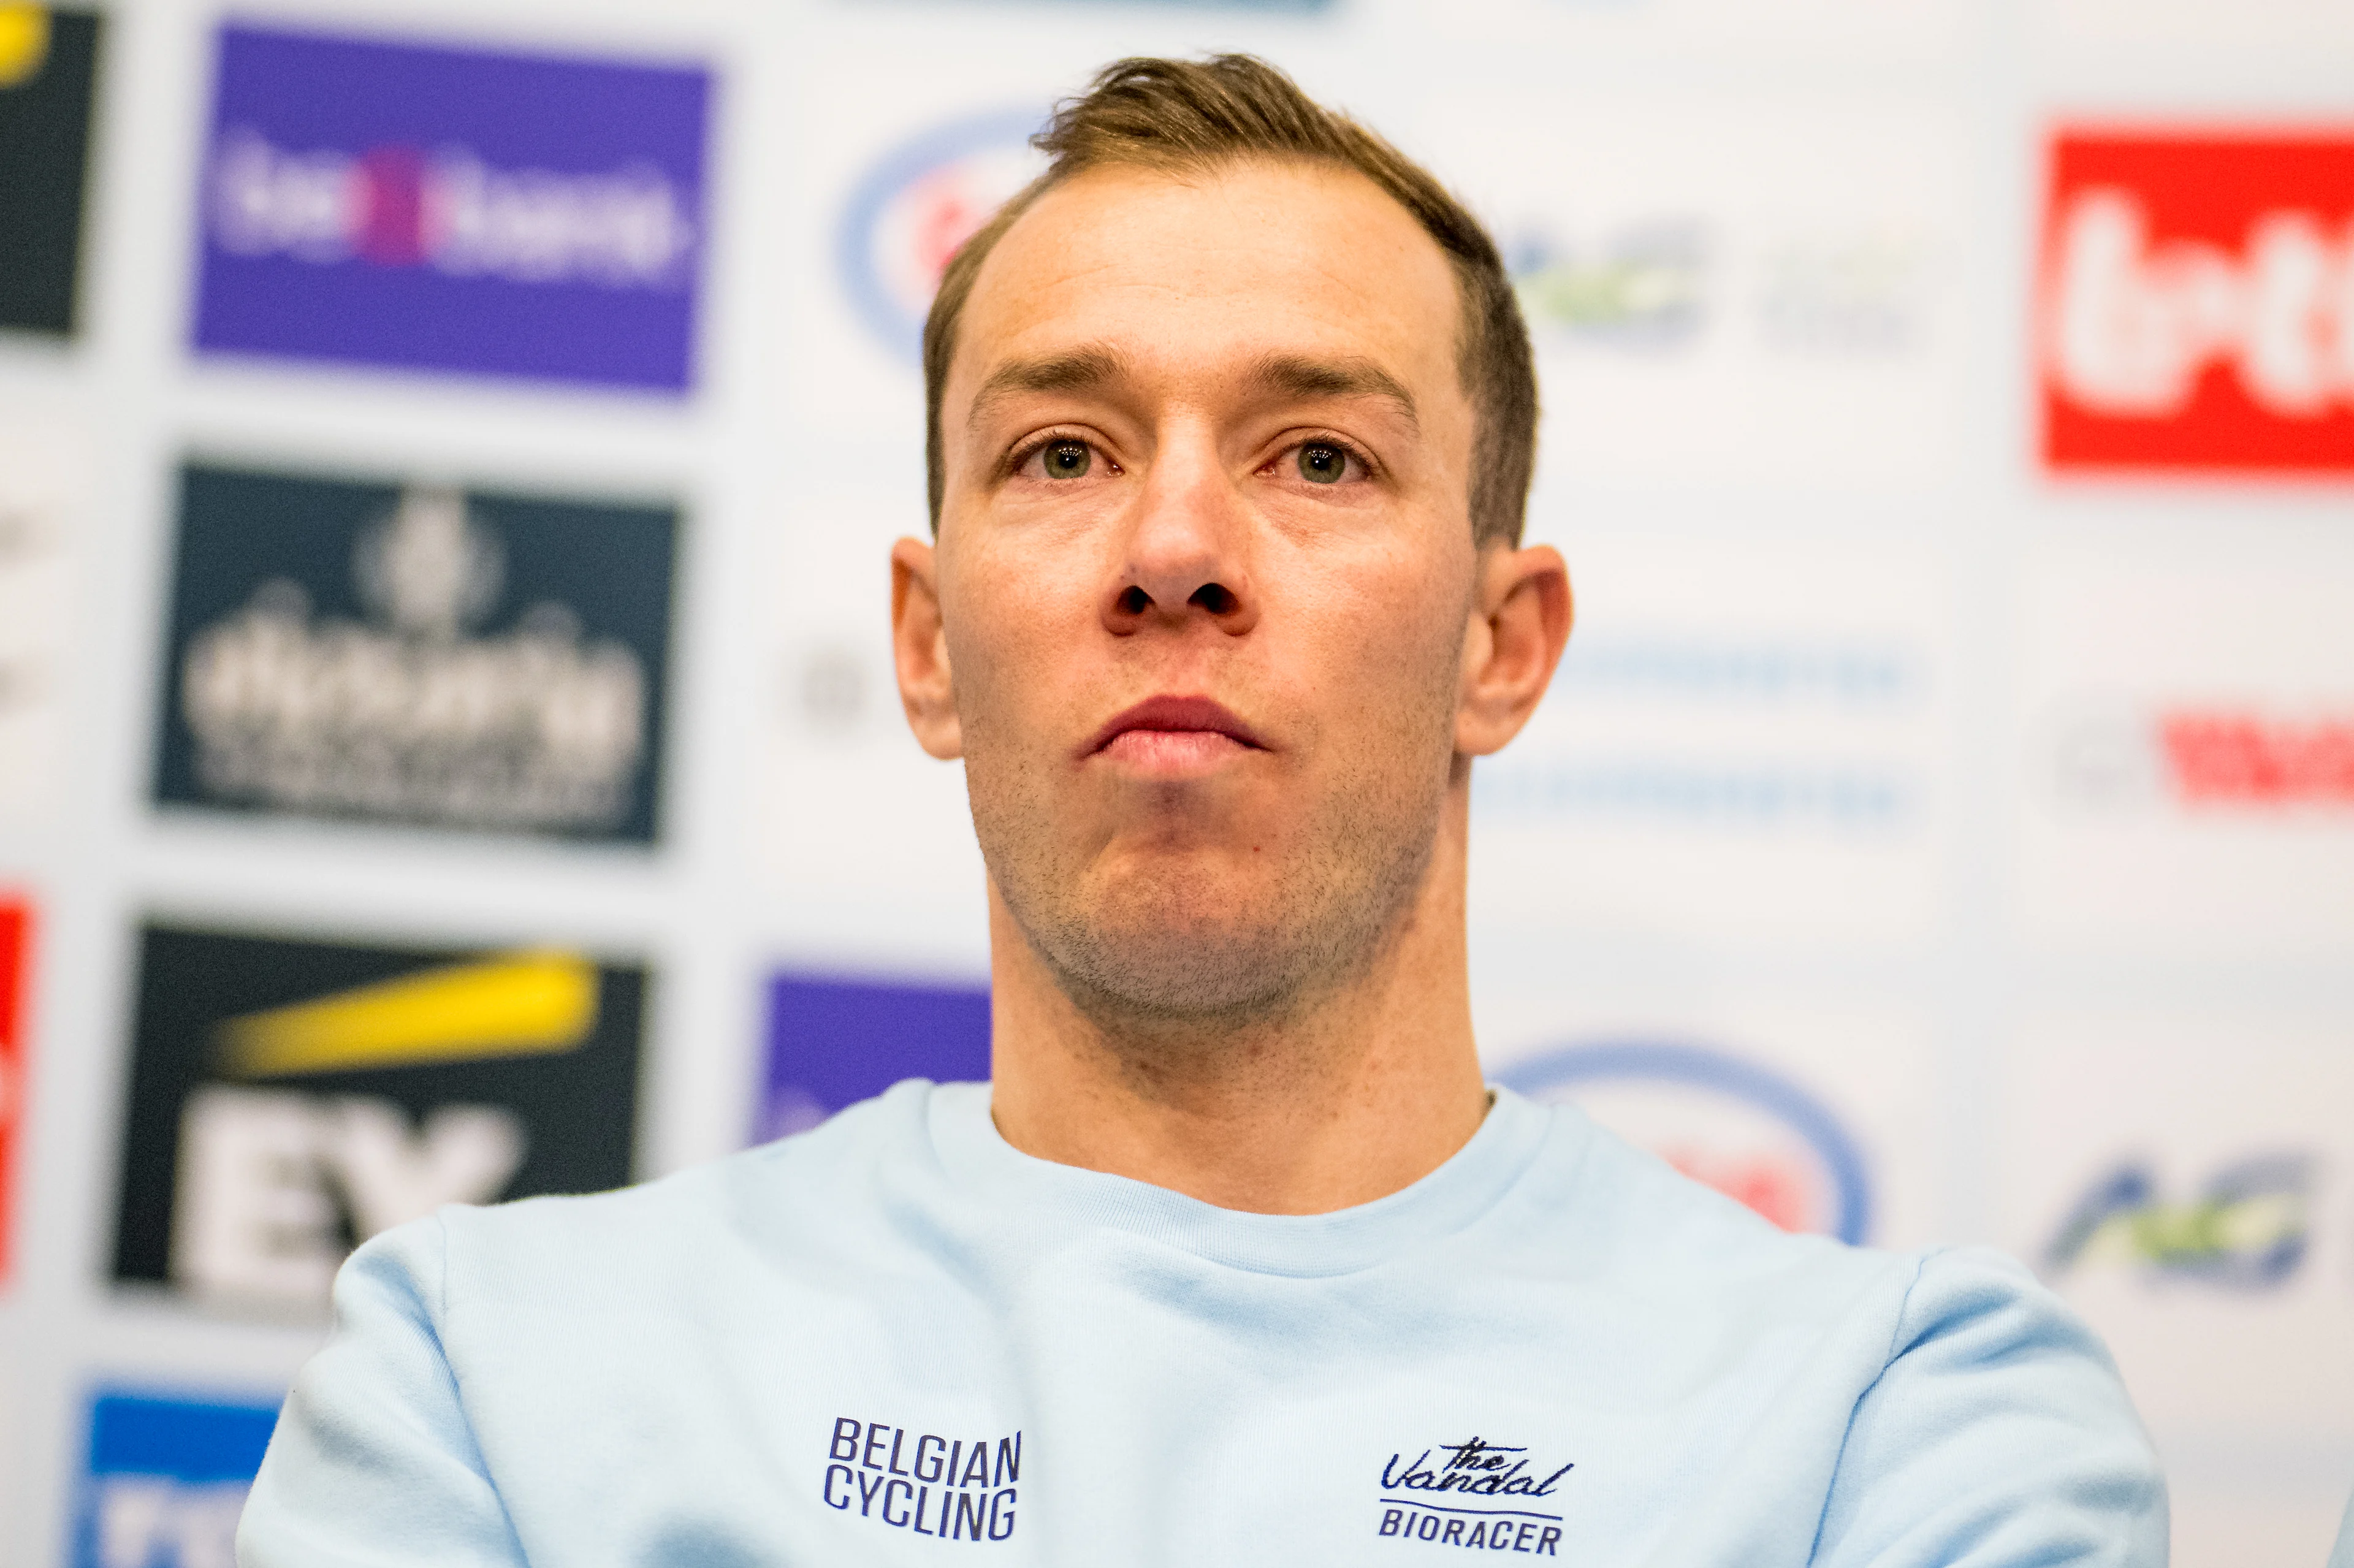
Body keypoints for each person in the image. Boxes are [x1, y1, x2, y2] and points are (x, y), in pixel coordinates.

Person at [238, 55, 2165, 1565]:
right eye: (1064, 450)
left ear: (1506, 643)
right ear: (927, 645)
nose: (1175, 549)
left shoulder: (1890, 1425)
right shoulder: (491, 1374)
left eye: (1316, 453)